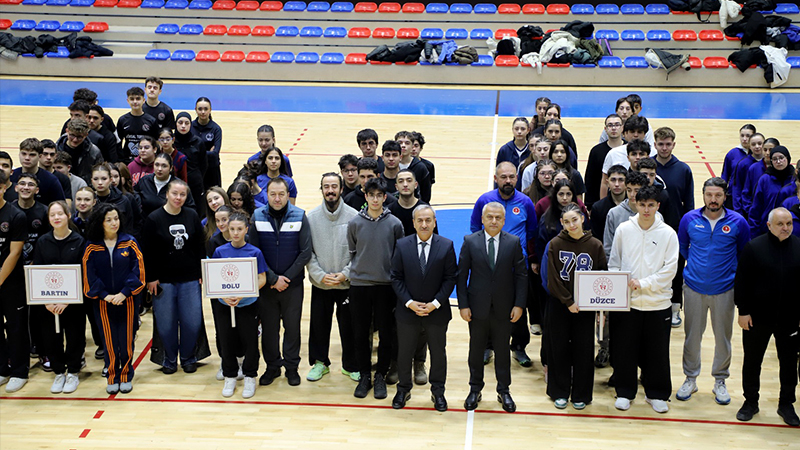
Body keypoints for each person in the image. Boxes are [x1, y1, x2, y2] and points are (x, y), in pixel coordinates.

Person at [676, 177, 749, 406]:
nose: (713, 199)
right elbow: (682, 247)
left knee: (723, 338)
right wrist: (697, 268)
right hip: (694, 288)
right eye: (709, 195)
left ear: (725, 196)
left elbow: (743, 253)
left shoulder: (738, 222)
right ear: (703, 195)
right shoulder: (689, 219)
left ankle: (720, 380)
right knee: (692, 337)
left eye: (718, 195)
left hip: (725, 290)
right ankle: (690, 378)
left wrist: (729, 272)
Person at [608, 185, 679, 413]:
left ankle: (656, 393)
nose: (646, 210)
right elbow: (614, 262)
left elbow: (670, 270)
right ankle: (624, 392)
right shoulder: (623, 229)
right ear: (635, 204)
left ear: (658, 206)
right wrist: (619, 286)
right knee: (624, 350)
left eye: (651, 205)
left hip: (657, 304)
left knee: (656, 352)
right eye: (642, 204)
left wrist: (644, 284)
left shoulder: (668, 233)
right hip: (627, 304)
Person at [458, 202, 527, 413]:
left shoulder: (513, 242)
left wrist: (519, 304)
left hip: (504, 308)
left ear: (504, 221)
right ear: (482, 218)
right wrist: (463, 305)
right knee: (476, 350)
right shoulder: (470, 241)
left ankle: (504, 390)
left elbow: (521, 276)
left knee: (503, 351)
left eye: (498, 218)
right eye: (490, 217)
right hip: (477, 308)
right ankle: (474, 388)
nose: (494, 221)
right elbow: (461, 276)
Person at [734, 207, 800, 426]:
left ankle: (786, 404)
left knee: (789, 364)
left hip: (789, 319)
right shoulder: (754, 247)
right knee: (752, 362)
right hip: (757, 318)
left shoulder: (799, 247)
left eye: (789, 223)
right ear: (769, 225)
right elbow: (741, 282)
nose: (785, 228)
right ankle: (750, 402)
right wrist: (743, 311)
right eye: (780, 224)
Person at [470, 162, 537, 367]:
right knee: (489, 308)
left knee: (518, 307)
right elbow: (474, 228)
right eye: (503, 177)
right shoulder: (484, 200)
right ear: (496, 178)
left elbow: (531, 231)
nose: (507, 181)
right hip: (489, 265)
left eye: (511, 177)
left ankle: (519, 347)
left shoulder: (525, 202)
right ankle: (488, 346)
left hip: (517, 267)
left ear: (517, 178)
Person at [390, 205, 457, 411]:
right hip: (408, 311)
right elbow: (396, 278)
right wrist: (410, 303)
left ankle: (438, 392)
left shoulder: (446, 246)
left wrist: (435, 304)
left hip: (436, 312)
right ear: (413, 223)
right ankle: (403, 389)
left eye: (428, 220)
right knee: (405, 352)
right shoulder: (402, 245)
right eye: (420, 220)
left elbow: (450, 278)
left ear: (435, 222)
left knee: (438, 354)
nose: (424, 224)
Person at [346, 178, 404, 399]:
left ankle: (380, 374)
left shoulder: (395, 224)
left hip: (385, 286)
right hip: (360, 286)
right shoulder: (355, 223)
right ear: (366, 196)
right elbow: (352, 251)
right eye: (372, 195)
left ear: (385, 197)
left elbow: (398, 254)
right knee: (360, 333)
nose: (376, 199)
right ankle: (364, 375)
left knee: (386, 334)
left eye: (380, 195)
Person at [251, 178, 312, 387]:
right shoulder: (257, 216)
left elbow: (305, 253)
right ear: (266, 195)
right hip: (267, 286)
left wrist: (285, 278)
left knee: (292, 328)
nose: (277, 199)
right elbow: (254, 252)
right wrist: (273, 278)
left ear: (288, 195)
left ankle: (292, 368)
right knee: (269, 329)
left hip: (292, 286)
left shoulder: (300, 215)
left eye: (281, 194)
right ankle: (272, 367)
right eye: (273, 194)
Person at [546, 203, 607, 410]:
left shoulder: (595, 245)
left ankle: (581, 394)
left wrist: (600, 305)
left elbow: (602, 276)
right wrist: (568, 301)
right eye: (566, 221)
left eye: (574, 219)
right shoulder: (555, 244)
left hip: (586, 308)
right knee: (559, 348)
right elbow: (552, 279)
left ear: (582, 218)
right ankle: (559, 391)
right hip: (560, 305)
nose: (571, 225)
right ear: (561, 224)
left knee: (584, 350)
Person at [141, 179, 206, 374]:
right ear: (167, 194)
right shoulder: (153, 219)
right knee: (166, 324)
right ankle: (169, 359)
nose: (178, 198)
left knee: (192, 321)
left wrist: (201, 273)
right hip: (163, 281)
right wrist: (150, 278)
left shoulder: (192, 216)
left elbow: (199, 247)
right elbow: (148, 252)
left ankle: (188, 357)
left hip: (190, 279)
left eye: (182, 195)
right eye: (175, 194)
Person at [82, 203, 145, 394]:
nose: (113, 223)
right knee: (109, 341)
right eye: (108, 219)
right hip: (103, 302)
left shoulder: (130, 242)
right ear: (100, 222)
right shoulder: (91, 247)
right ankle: (112, 375)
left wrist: (124, 293)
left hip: (126, 300)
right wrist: (104, 295)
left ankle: (125, 374)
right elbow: (88, 275)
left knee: (126, 340)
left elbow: (138, 271)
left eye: (116, 218)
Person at [305, 173, 359, 383]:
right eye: (326, 186)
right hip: (322, 284)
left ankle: (351, 365)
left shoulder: (354, 216)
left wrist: (345, 274)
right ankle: (320, 363)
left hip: (346, 284)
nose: (330, 190)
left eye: (334, 186)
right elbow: (307, 252)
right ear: (321, 190)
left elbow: (358, 252)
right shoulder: (311, 218)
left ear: (341, 189)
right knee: (319, 325)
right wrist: (319, 276)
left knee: (349, 326)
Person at [211, 212, 267, 399]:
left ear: (246, 230)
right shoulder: (220, 252)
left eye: (239, 229)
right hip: (224, 305)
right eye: (232, 229)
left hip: (248, 305)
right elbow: (215, 279)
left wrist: (244, 293)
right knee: (226, 340)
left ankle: (250, 376)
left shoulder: (254, 252)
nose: (235, 233)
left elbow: (261, 279)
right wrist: (225, 296)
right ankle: (230, 376)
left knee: (250, 341)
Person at [32, 201, 86, 394]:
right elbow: (37, 272)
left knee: (74, 336)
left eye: (60, 214)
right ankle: (58, 372)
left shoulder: (79, 241)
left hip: (72, 303)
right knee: (51, 337)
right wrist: (47, 301)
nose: (56, 218)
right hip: (48, 303)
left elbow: (82, 274)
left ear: (68, 216)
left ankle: (72, 371)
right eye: (52, 215)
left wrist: (66, 301)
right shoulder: (43, 242)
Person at [653, 127, 695, 327]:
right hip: (651, 229)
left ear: (673, 144)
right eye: (660, 144)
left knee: (676, 270)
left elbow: (690, 204)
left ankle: (675, 308)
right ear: (655, 144)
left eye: (668, 144)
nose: (664, 148)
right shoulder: (648, 167)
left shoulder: (684, 169)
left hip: (677, 230)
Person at [0, 170, 28, 393]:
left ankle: (19, 371)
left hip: (12, 282)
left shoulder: (15, 216)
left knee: (16, 327)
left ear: (3, 188)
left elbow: (15, 253)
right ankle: (2, 368)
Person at [748, 146, 795, 237]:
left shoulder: (795, 179)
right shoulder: (764, 179)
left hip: (790, 230)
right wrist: (754, 233)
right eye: (774, 159)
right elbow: (756, 207)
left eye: (781, 158)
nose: (778, 161)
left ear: (788, 158)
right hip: (767, 230)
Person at [136, 153, 196, 218]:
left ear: (171, 168)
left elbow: (191, 209)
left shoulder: (178, 185)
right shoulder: (144, 181)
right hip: (146, 223)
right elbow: (134, 200)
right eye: (157, 165)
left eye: (164, 166)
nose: (159, 169)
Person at [10, 138, 67, 205]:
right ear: (19, 154)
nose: (27, 158)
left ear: (39, 156)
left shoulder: (51, 180)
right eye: (24, 154)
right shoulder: (11, 176)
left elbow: (61, 206)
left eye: (32, 155)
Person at [585, 114, 624, 210]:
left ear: (622, 128)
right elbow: (590, 180)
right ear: (605, 129)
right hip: (603, 203)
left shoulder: (629, 149)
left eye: (617, 125)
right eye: (610, 125)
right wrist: (590, 205)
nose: (614, 128)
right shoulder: (596, 151)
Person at [91, 163, 139, 238]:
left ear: (110, 180)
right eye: (96, 179)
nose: (100, 183)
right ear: (91, 181)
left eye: (104, 179)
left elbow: (132, 225)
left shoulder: (124, 200)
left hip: (122, 243)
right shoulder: (89, 200)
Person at [12, 174, 51, 267]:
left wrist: (35, 263)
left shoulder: (45, 212)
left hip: (38, 263)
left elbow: (48, 241)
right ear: (16, 188)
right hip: (12, 264)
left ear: (37, 190)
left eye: (30, 184)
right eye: (22, 183)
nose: (26, 187)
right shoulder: (8, 211)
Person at [174, 111, 207, 216]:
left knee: (198, 212)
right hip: (176, 182)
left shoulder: (198, 142)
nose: (183, 126)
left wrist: (196, 176)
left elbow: (204, 164)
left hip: (195, 183)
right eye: (180, 122)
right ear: (176, 124)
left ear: (190, 125)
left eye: (186, 123)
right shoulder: (171, 142)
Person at [116, 86, 158, 163]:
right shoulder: (122, 120)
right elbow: (119, 142)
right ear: (128, 101)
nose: (135, 101)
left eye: (138, 98)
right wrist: (121, 160)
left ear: (143, 100)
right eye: (132, 99)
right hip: (127, 160)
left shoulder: (151, 120)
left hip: (147, 160)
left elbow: (156, 142)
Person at [590, 165, 626, 247]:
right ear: (607, 182)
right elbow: (596, 238)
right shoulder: (598, 208)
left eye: (621, 180)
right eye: (613, 180)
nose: (617, 184)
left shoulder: (633, 205)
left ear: (627, 182)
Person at [731, 132, 766, 216]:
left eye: (760, 144)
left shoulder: (769, 163)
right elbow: (737, 188)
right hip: (748, 209)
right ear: (749, 146)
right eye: (753, 144)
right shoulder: (743, 164)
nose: (757, 146)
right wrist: (739, 211)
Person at [193, 97, 223, 190]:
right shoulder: (190, 127)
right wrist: (208, 152)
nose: (203, 112)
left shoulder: (216, 129)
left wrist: (195, 152)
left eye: (206, 109)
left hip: (212, 169)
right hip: (195, 168)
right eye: (200, 109)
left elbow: (215, 153)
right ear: (195, 110)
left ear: (210, 110)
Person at [395, 131, 432, 203]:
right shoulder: (390, 165)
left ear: (412, 147)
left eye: (407, 143)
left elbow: (426, 195)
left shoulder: (421, 167)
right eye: (400, 143)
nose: (403, 145)